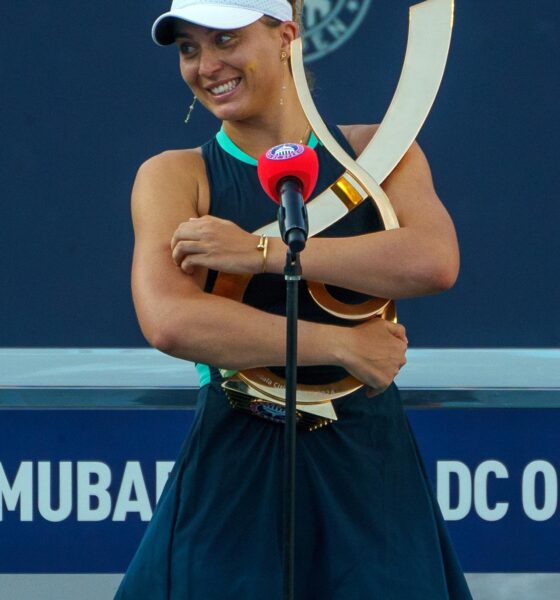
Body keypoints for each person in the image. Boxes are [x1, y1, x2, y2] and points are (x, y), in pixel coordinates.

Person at [115, 1, 472, 598]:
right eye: (189, 48)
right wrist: (344, 346)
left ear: (286, 35)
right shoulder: (175, 175)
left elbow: (433, 260)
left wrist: (266, 254)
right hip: (235, 453)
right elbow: (170, 321)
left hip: (365, 458)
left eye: (225, 39)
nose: (207, 65)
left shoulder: (378, 152)